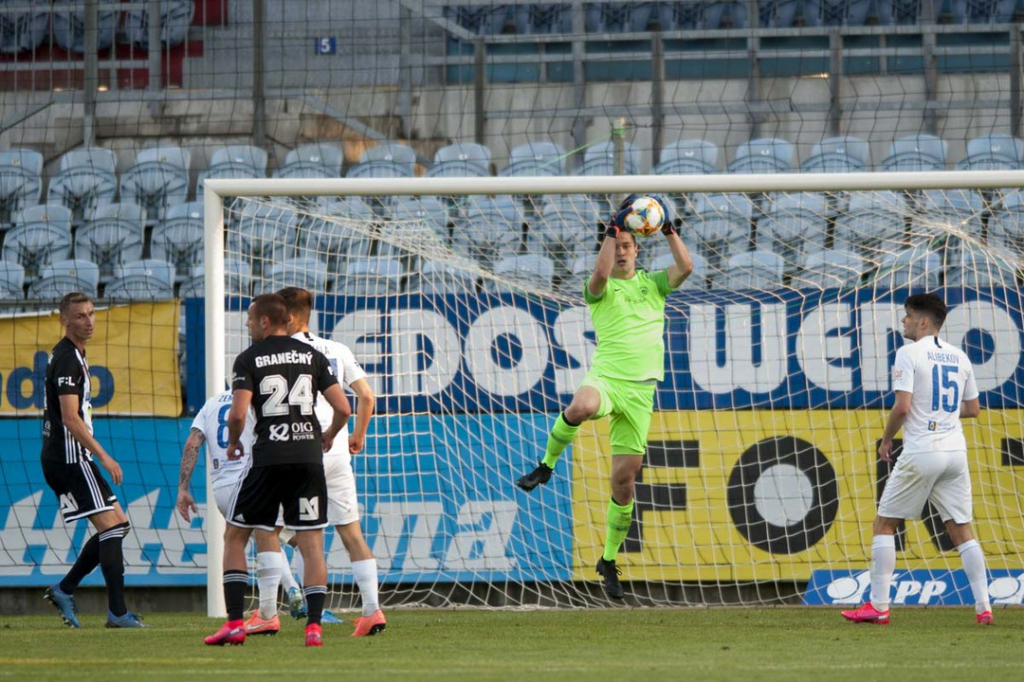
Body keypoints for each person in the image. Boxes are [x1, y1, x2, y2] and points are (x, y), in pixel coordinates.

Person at [516, 196, 694, 600]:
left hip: (640, 392)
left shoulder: (653, 284)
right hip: (608, 378)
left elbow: (686, 267)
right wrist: (612, 232)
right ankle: (545, 466)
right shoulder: (599, 288)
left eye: (629, 246)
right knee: (580, 407)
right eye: (618, 248)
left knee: (624, 482)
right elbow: (598, 272)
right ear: (611, 251)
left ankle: (608, 559)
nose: (623, 254)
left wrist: (668, 228)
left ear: (638, 249)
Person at [204, 293, 352, 647]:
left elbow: (238, 414)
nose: (248, 326)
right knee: (312, 544)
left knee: (235, 535)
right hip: (308, 458)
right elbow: (344, 408)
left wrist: (234, 441)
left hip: (269, 458)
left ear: (266, 322)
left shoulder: (248, 358)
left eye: (251, 321)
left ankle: (236, 623)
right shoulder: (313, 356)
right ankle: (314, 627)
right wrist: (328, 436)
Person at [842, 293, 993, 626]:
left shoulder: (907, 354)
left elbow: (903, 407)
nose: (903, 321)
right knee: (961, 529)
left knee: (885, 524)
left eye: (908, 315)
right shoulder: (960, 356)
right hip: (955, 452)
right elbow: (973, 410)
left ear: (924, 322)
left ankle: (878, 606)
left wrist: (885, 439)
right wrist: (942, 413)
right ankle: (984, 608)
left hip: (923, 449)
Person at [278, 287, 386, 637]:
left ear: (289, 317)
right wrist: (358, 435)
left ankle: (296, 606)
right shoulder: (337, 349)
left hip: (299, 451)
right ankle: (372, 610)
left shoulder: (276, 354)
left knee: (272, 531)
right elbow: (367, 397)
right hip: (337, 452)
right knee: (351, 533)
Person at [40, 292, 146, 628]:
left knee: (118, 525)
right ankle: (116, 612)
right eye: (81, 316)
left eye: (91, 314)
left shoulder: (73, 355)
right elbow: (70, 418)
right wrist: (105, 456)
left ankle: (65, 588)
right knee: (112, 528)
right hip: (69, 458)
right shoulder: (67, 359)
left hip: (72, 456)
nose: (89, 321)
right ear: (64, 320)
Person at [177, 390, 305, 636]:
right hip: (252, 480)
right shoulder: (255, 402)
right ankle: (270, 610)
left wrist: (183, 487)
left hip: (222, 490)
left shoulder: (210, 404)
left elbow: (192, 443)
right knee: (276, 535)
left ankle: (289, 591)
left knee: (255, 536)